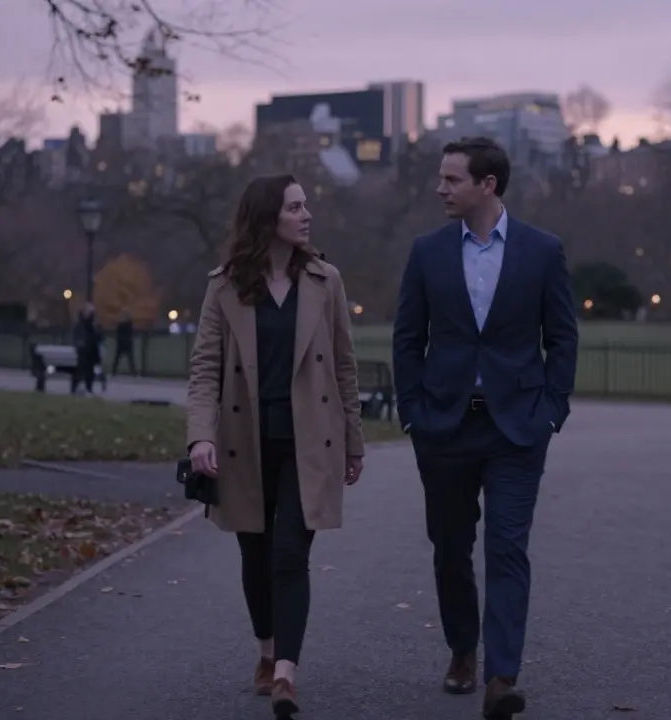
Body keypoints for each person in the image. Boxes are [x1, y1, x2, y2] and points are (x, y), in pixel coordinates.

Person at [392, 136, 579, 719]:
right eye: (442, 178)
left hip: (517, 430)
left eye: (452, 179)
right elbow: (406, 338)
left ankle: (502, 675)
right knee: (450, 549)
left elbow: (563, 336)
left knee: (506, 546)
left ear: (487, 185)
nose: (440, 188)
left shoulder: (542, 251)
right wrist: (413, 412)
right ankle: (463, 648)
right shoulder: (426, 253)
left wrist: (552, 410)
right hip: (443, 427)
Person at [184, 174, 366, 718]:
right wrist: (200, 435)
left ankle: (286, 671)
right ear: (268, 219)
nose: (306, 214)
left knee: (290, 554)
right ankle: (265, 648)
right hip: (245, 442)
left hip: (310, 442)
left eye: (306, 204)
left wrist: (354, 442)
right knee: (255, 554)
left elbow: (344, 365)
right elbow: (204, 368)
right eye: (294, 207)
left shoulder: (324, 279)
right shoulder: (225, 285)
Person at [71, 303, 102, 395]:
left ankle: (88, 387)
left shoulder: (92, 325)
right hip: (83, 352)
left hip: (91, 352)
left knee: (90, 370)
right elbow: (77, 338)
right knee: (81, 369)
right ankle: (77, 387)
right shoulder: (80, 325)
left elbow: (96, 337)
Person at [112, 311, 136, 376]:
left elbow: (117, 334)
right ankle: (134, 373)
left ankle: (113, 371)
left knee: (117, 359)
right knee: (130, 359)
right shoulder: (129, 325)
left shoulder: (120, 325)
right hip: (127, 343)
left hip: (121, 343)